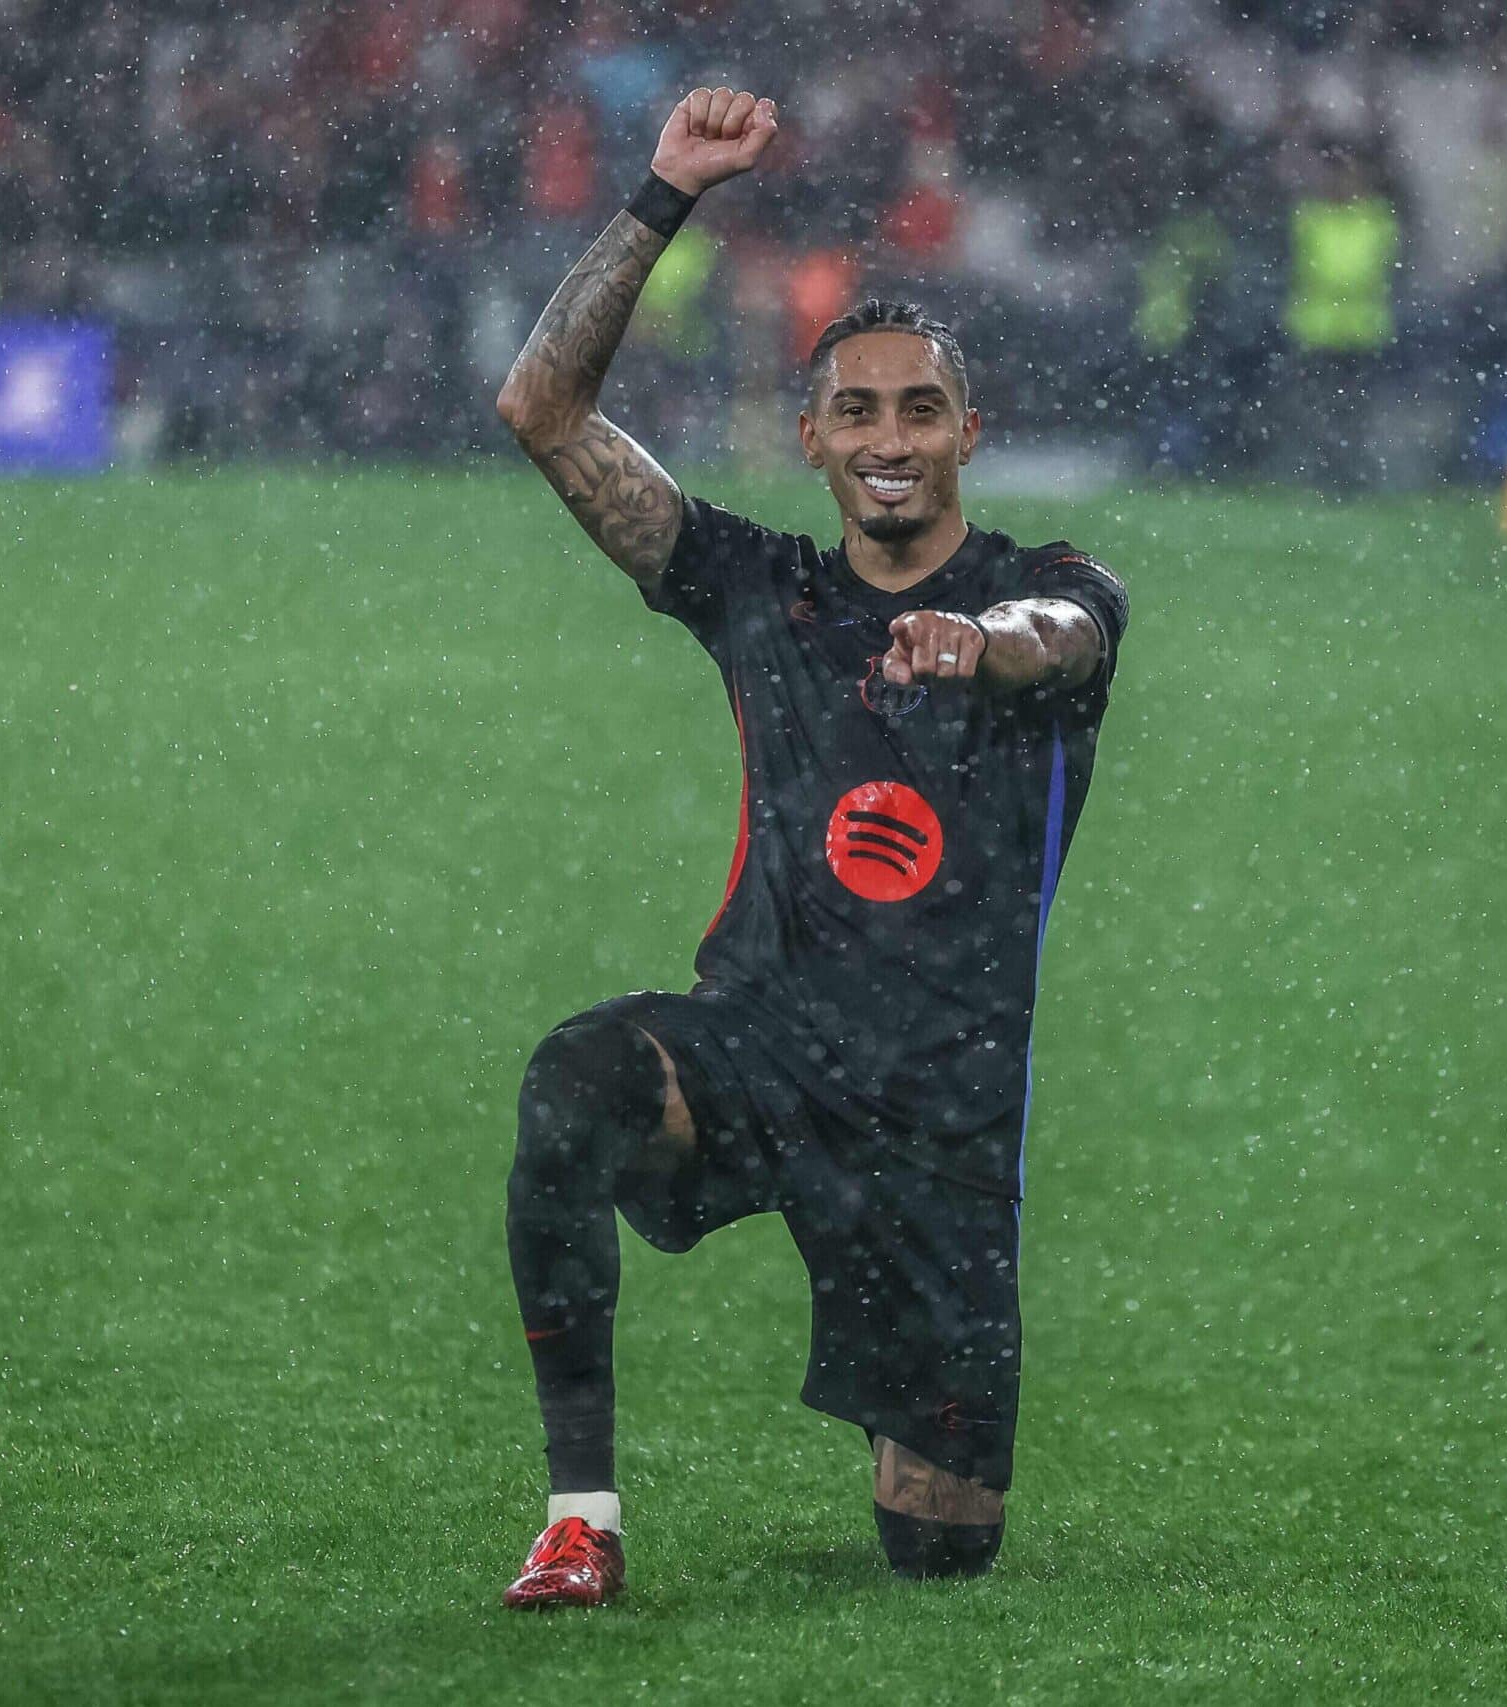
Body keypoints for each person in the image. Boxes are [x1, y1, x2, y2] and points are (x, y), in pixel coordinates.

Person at [490, 87, 1129, 1610]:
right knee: (575, 1078)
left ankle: (925, 1435)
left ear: (971, 434)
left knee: (940, 1545)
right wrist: (661, 196)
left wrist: (978, 642)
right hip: (764, 1057)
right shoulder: (757, 587)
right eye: (858, 410)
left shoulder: (1055, 586)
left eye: (920, 411)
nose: (890, 438)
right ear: (814, 438)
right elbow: (543, 413)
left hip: (943, 1116)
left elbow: (1061, 635)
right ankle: (582, 1512)